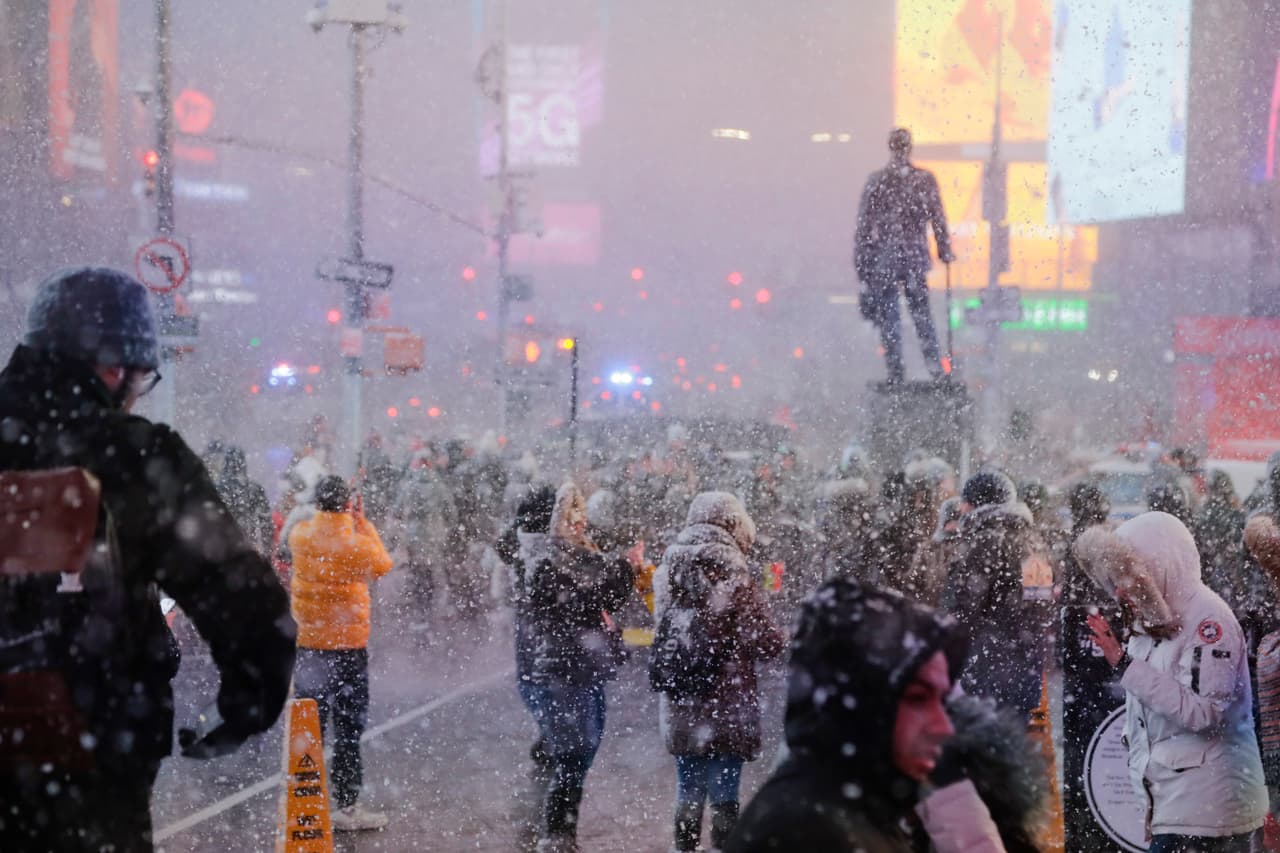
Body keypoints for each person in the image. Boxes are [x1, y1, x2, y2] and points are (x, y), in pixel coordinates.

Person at [0, 267, 296, 852]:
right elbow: (244, 601)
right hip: (97, 743)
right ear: (113, 369)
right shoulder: (136, 456)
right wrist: (243, 705)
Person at [726, 580, 1004, 853]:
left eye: (941, 701)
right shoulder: (809, 833)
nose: (944, 727)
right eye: (918, 699)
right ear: (863, 700)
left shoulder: (858, 812)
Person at [1077, 512, 1267, 852]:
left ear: (1158, 567)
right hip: (1179, 805)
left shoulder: (1209, 621)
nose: (1120, 589)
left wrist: (1124, 664)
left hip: (1209, 810)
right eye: (1114, 579)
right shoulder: (1151, 619)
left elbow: (1206, 714)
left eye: (1127, 576)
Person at [652, 492, 786, 852]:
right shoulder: (734, 574)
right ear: (734, 526)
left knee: (689, 786)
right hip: (727, 698)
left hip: (681, 695)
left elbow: (663, 626)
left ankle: (685, 848)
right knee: (725, 788)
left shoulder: (667, 568)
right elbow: (767, 642)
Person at [522, 482, 634, 852]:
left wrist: (622, 570)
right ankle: (557, 833)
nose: (580, 524)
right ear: (558, 520)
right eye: (573, 516)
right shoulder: (547, 564)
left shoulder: (586, 555)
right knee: (574, 753)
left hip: (588, 668)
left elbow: (607, 597)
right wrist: (621, 569)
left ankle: (562, 831)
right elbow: (584, 603)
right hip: (563, 670)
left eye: (582, 515)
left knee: (585, 749)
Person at [289, 474, 394, 831]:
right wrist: (363, 523)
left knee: (309, 729)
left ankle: (305, 804)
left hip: (309, 647)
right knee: (348, 730)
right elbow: (383, 564)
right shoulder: (356, 545)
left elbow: (292, 536)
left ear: (316, 503)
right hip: (348, 650)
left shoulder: (300, 536)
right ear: (348, 505)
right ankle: (347, 807)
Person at [943, 470, 1051, 719]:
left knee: (977, 750)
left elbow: (961, 610)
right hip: (1027, 667)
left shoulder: (985, 543)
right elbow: (1040, 607)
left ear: (976, 504)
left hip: (986, 671)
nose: (961, 508)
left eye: (965, 502)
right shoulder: (1034, 542)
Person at [855, 127, 954, 384]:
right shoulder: (923, 180)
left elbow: (864, 228)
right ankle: (933, 368)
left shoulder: (877, 181)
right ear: (909, 147)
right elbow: (938, 219)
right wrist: (944, 250)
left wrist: (864, 265)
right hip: (913, 257)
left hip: (886, 260)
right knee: (921, 316)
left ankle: (896, 370)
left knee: (891, 317)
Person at [214, 445, 274, 556]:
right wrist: (267, 552)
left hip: (221, 547)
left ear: (225, 463)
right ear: (243, 463)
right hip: (246, 545)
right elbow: (266, 523)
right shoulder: (254, 488)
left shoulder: (217, 488)